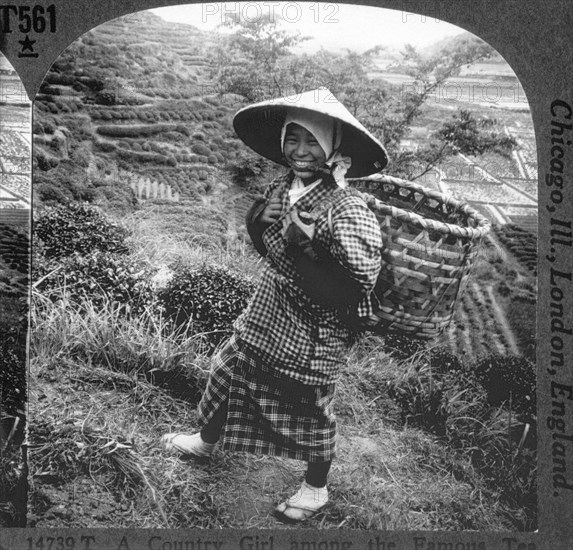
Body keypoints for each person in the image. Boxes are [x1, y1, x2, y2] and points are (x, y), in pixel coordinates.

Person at [161, 88, 388, 522]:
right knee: (231, 368)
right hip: (269, 307)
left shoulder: (347, 207)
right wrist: (255, 226)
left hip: (315, 327)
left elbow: (358, 284)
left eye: (312, 142)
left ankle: (315, 488)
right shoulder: (284, 186)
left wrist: (304, 249)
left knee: (308, 403)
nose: (300, 152)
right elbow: (272, 251)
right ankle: (206, 441)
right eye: (292, 139)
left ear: (333, 147)